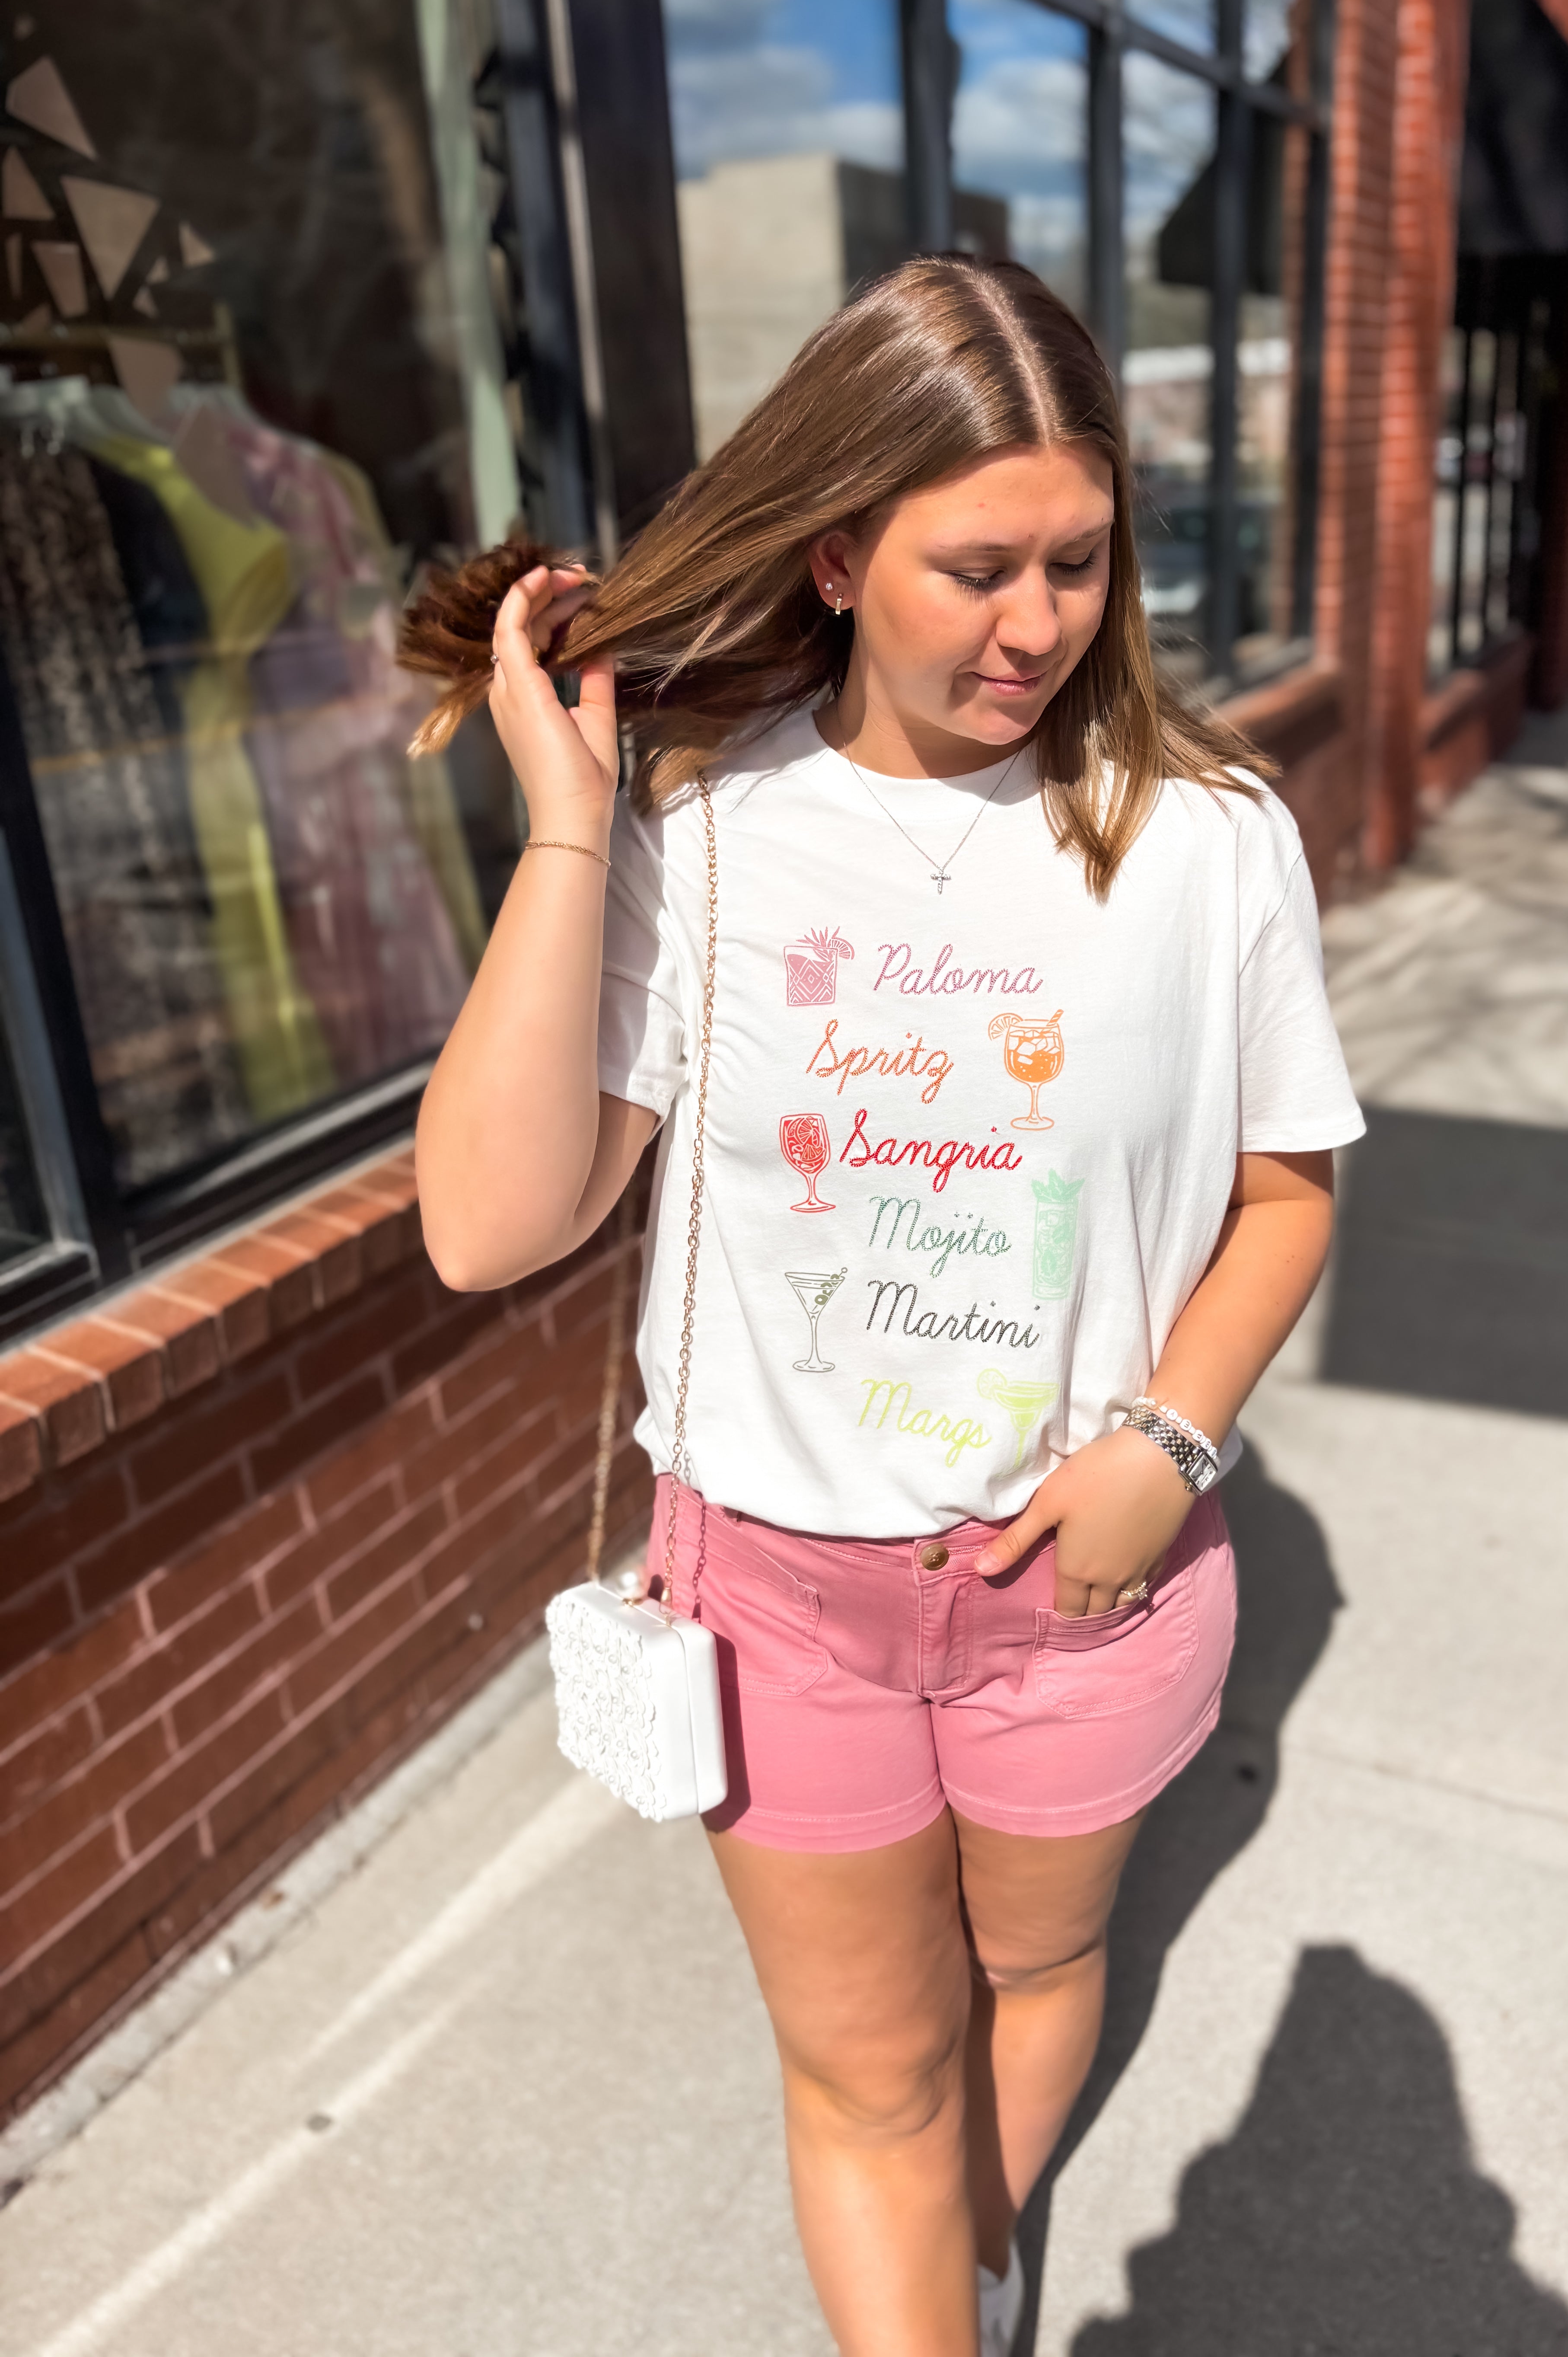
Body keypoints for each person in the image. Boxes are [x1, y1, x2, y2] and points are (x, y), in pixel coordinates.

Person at [400, 255, 1363, 2357]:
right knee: (865, 2073)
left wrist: (1168, 1446)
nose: (1039, 624)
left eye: (1079, 563)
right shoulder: (706, 826)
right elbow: (486, 1227)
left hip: (1086, 1587)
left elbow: (1287, 1197)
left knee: (1033, 1978)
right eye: (977, 568)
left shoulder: (1207, 838)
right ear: (836, 556)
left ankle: (985, 2253)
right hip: (783, 1601)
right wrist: (566, 828)